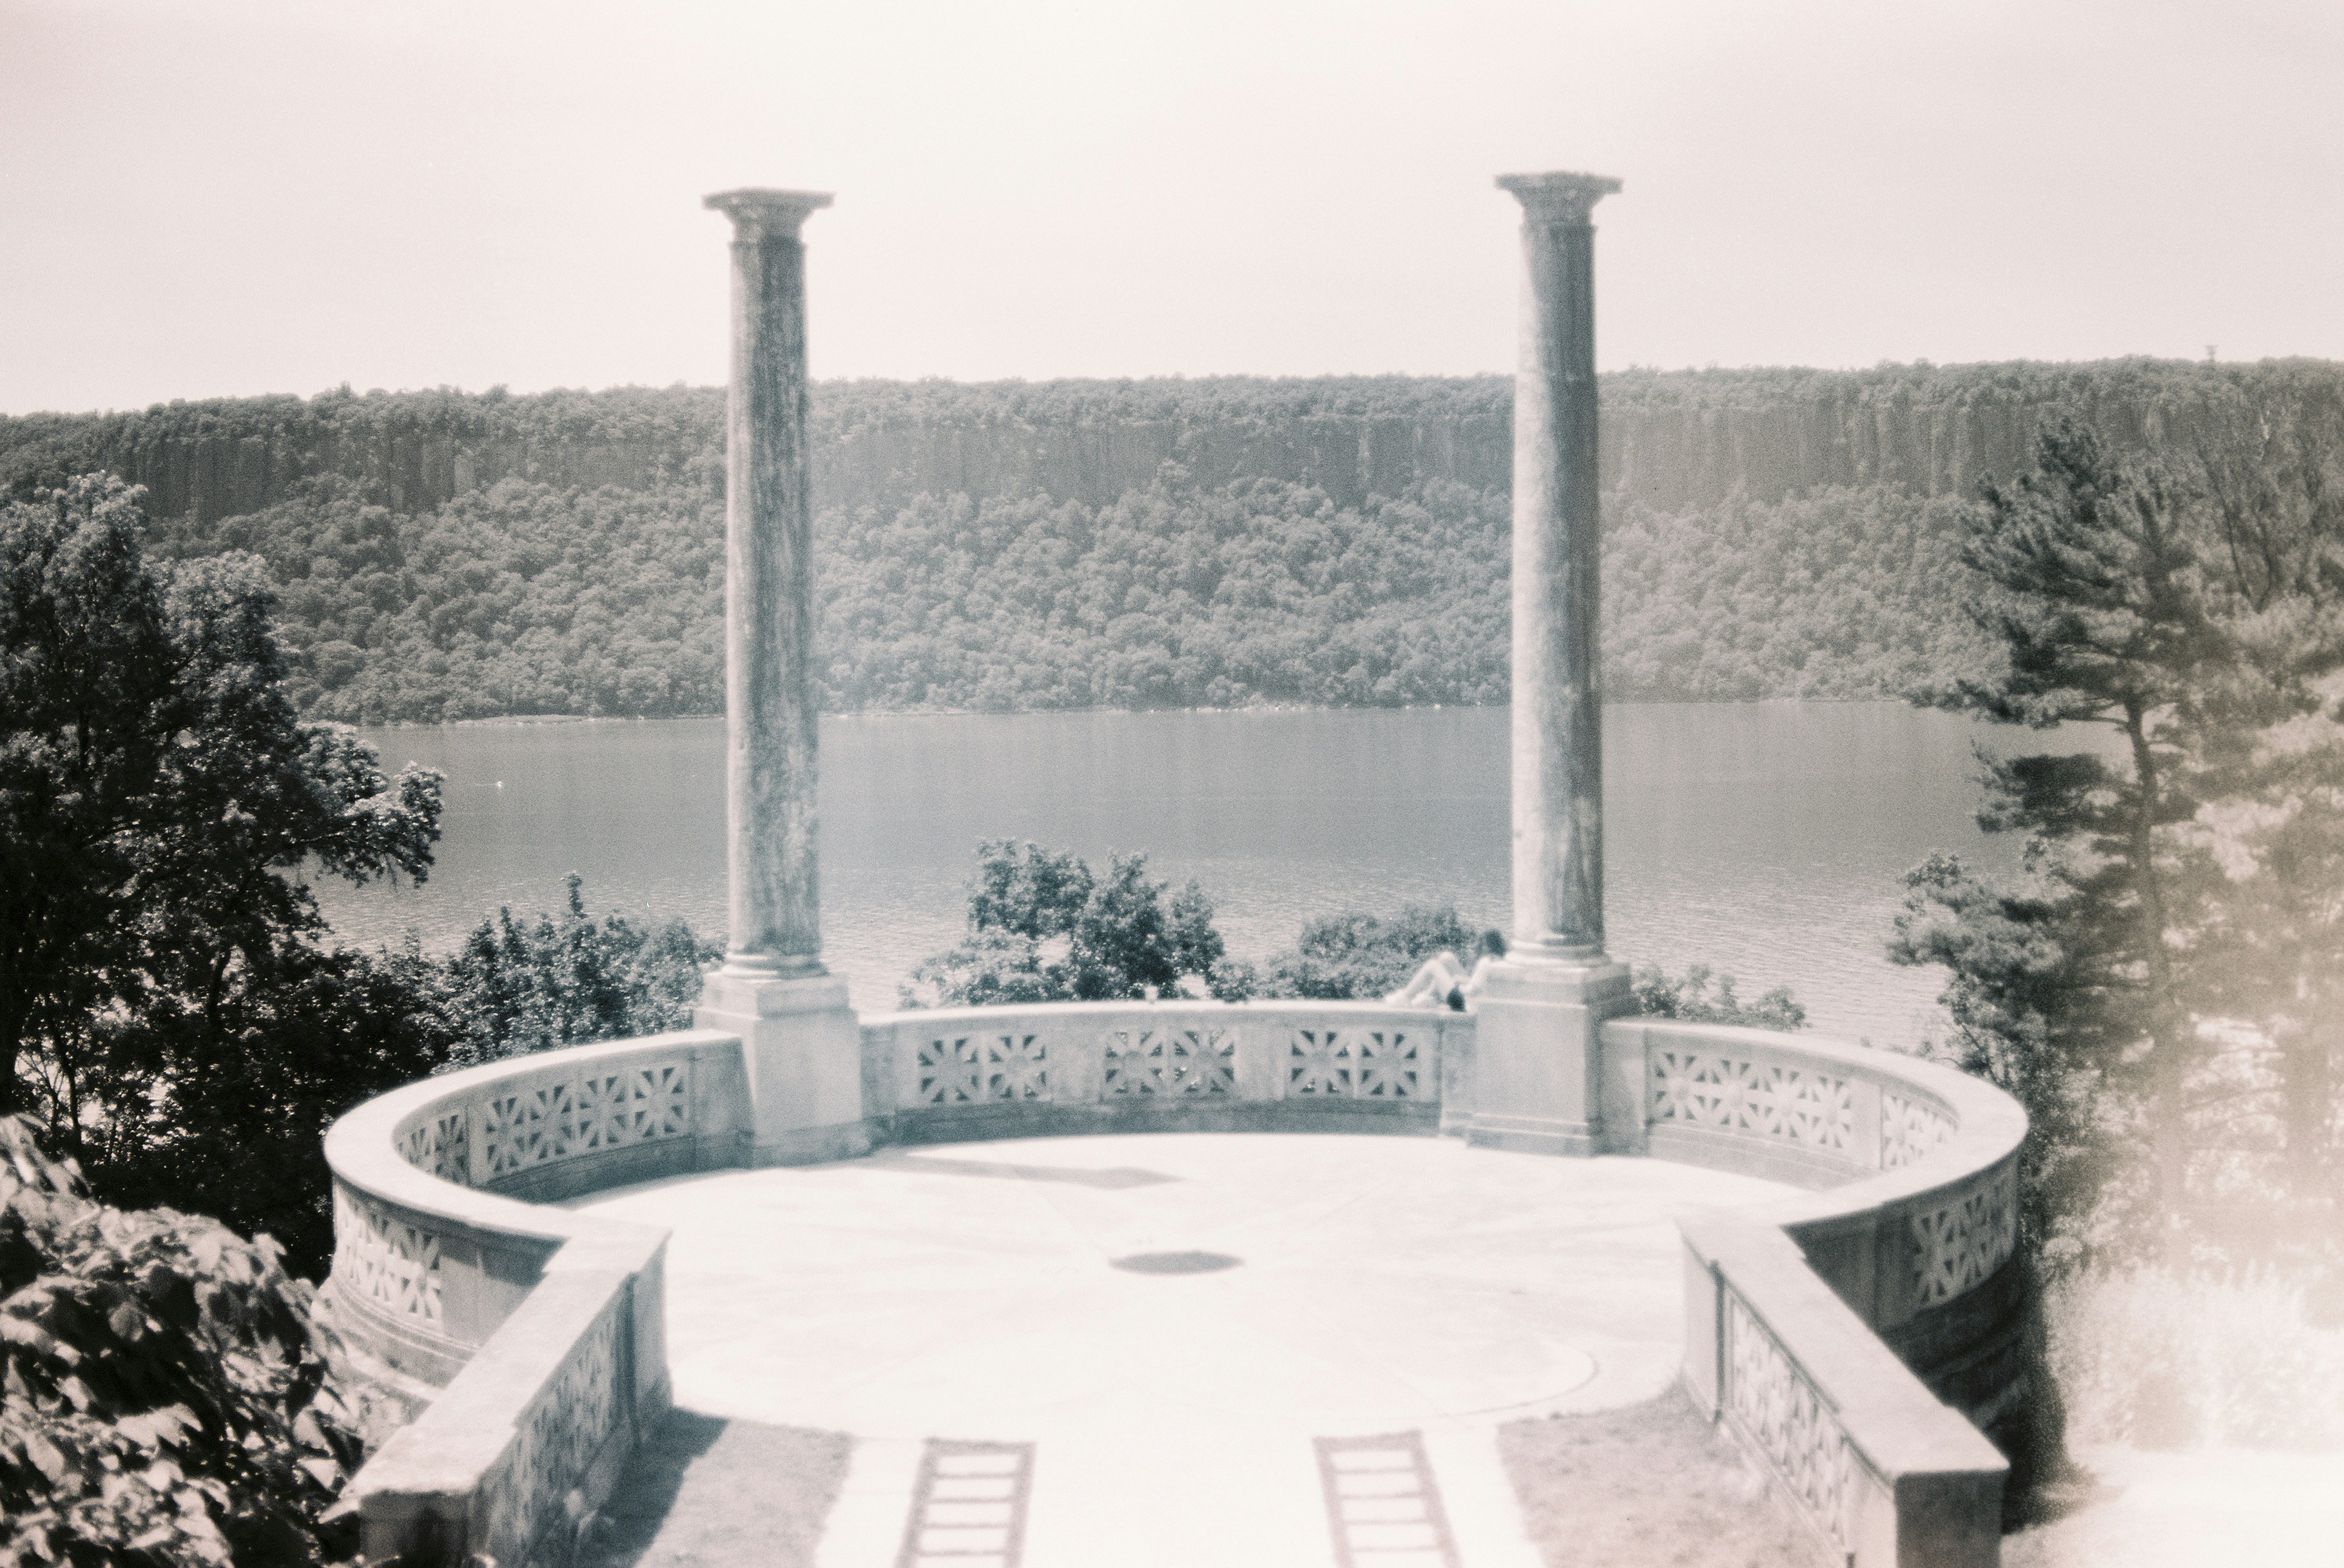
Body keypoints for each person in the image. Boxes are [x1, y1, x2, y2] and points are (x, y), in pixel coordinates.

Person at [1385, 929, 1507, 1011]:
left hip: (1465, 1005)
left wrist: (1456, 984)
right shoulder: (1499, 961)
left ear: (1487, 946)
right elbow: (1480, 987)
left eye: (1482, 944)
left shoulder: (1485, 962)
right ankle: (1428, 998)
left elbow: (1472, 992)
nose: (1480, 948)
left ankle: (1405, 997)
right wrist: (1460, 981)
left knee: (1432, 965)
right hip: (1472, 1003)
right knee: (1446, 958)